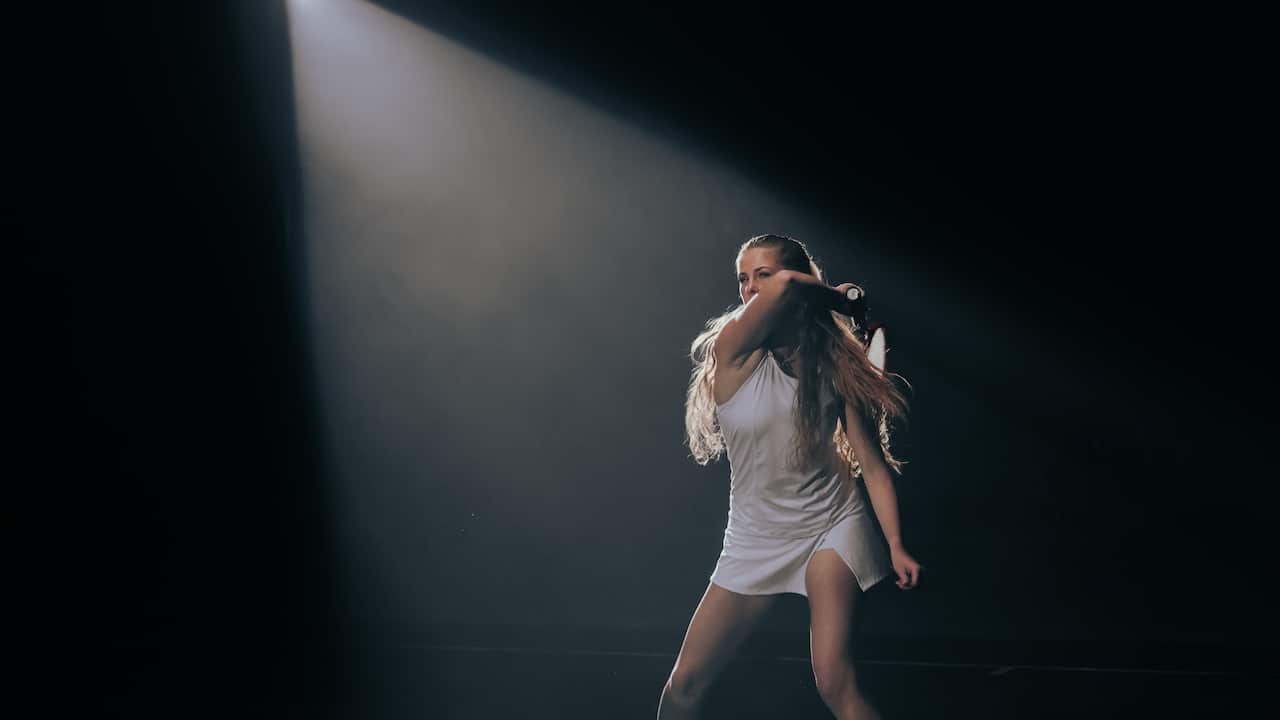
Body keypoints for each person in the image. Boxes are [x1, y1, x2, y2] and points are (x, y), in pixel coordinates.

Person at [656, 234, 922, 720]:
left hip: (832, 522)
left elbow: (871, 463)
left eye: (764, 273)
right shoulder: (731, 347)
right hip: (755, 535)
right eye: (744, 279)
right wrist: (840, 299)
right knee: (684, 685)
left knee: (834, 681)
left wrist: (896, 543)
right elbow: (785, 292)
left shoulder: (834, 364)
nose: (753, 288)